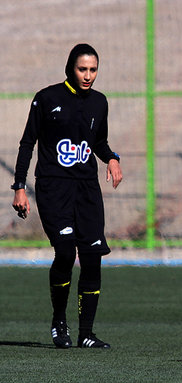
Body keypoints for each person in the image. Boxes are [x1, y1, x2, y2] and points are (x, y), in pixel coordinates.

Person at [12, 44, 123, 349]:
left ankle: (86, 333)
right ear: (70, 68)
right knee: (64, 252)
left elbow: (99, 141)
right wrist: (19, 186)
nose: (88, 75)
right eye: (82, 69)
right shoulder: (47, 98)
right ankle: (59, 322)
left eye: (93, 69)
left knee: (92, 259)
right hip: (53, 188)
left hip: (86, 190)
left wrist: (112, 158)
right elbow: (27, 143)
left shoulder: (100, 102)